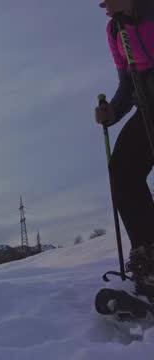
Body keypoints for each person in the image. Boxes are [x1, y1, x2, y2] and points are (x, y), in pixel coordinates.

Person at [95, 0, 154, 297]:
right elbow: (127, 86)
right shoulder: (115, 28)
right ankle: (149, 256)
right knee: (122, 170)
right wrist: (113, 112)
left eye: (109, 0)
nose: (105, 7)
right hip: (148, 108)